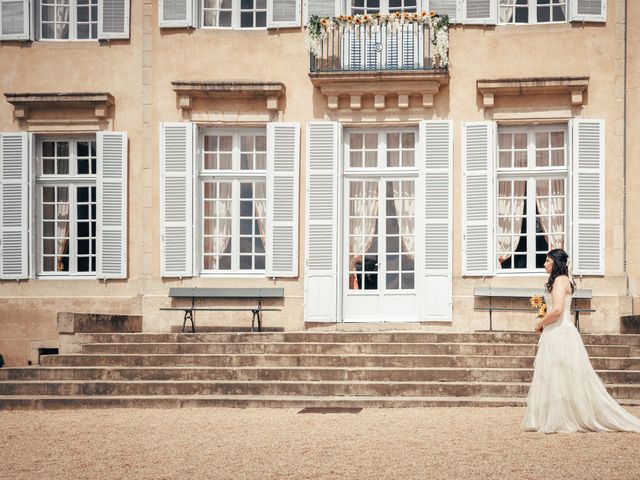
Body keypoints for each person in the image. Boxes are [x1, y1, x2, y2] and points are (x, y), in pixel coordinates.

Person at [523, 248, 640, 433]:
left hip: (559, 332)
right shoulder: (564, 279)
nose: (544, 264)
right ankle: (555, 417)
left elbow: (557, 310)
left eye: (547, 260)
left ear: (555, 263)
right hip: (559, 330)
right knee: (557, 375)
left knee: (558, 373)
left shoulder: (560, 280)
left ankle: (559, 419)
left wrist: (539, 323)